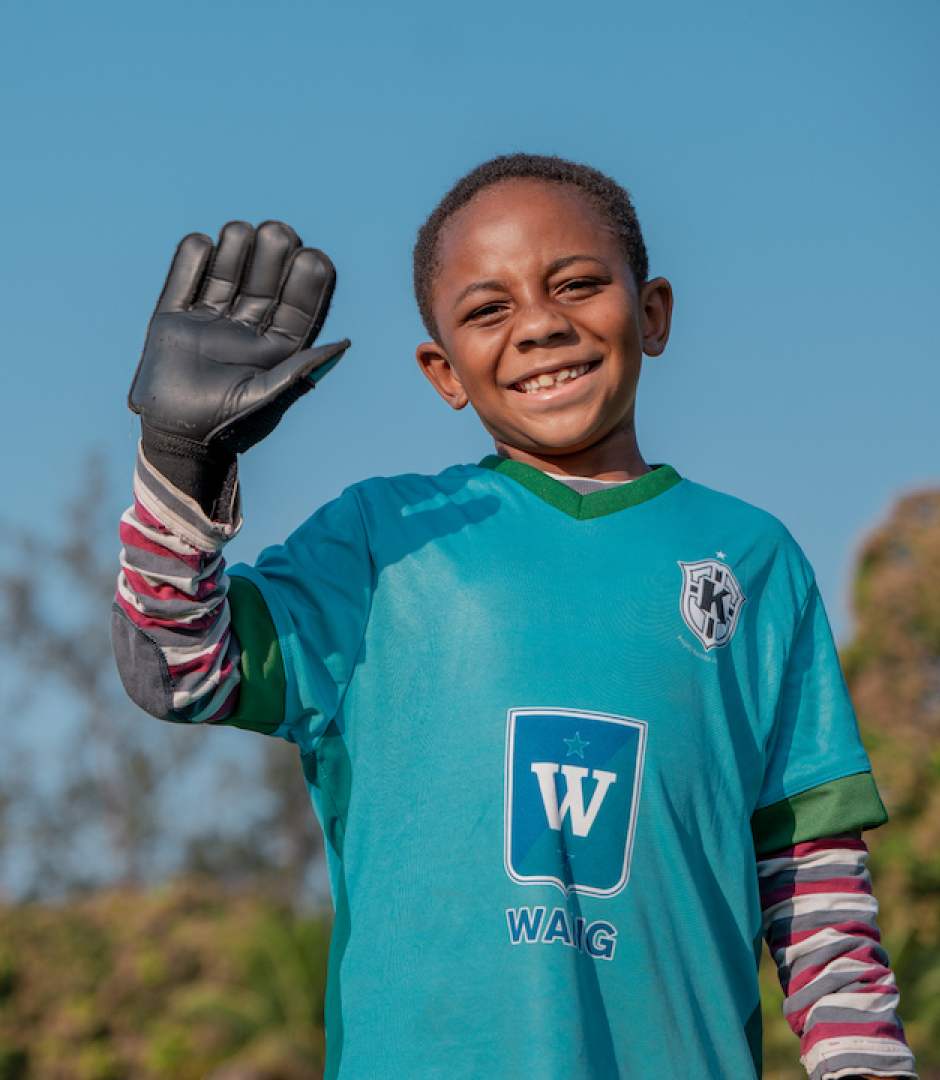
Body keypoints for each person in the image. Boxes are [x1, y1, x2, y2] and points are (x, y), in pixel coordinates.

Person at [113, 154, 917, 1079]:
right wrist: (177, 462)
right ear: (442, 370)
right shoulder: (385, 539)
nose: (540, 323)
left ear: (651, 312)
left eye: (576, 284)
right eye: (488, 310)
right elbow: (175, 668)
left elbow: (816, 886)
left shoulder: (752, 559)